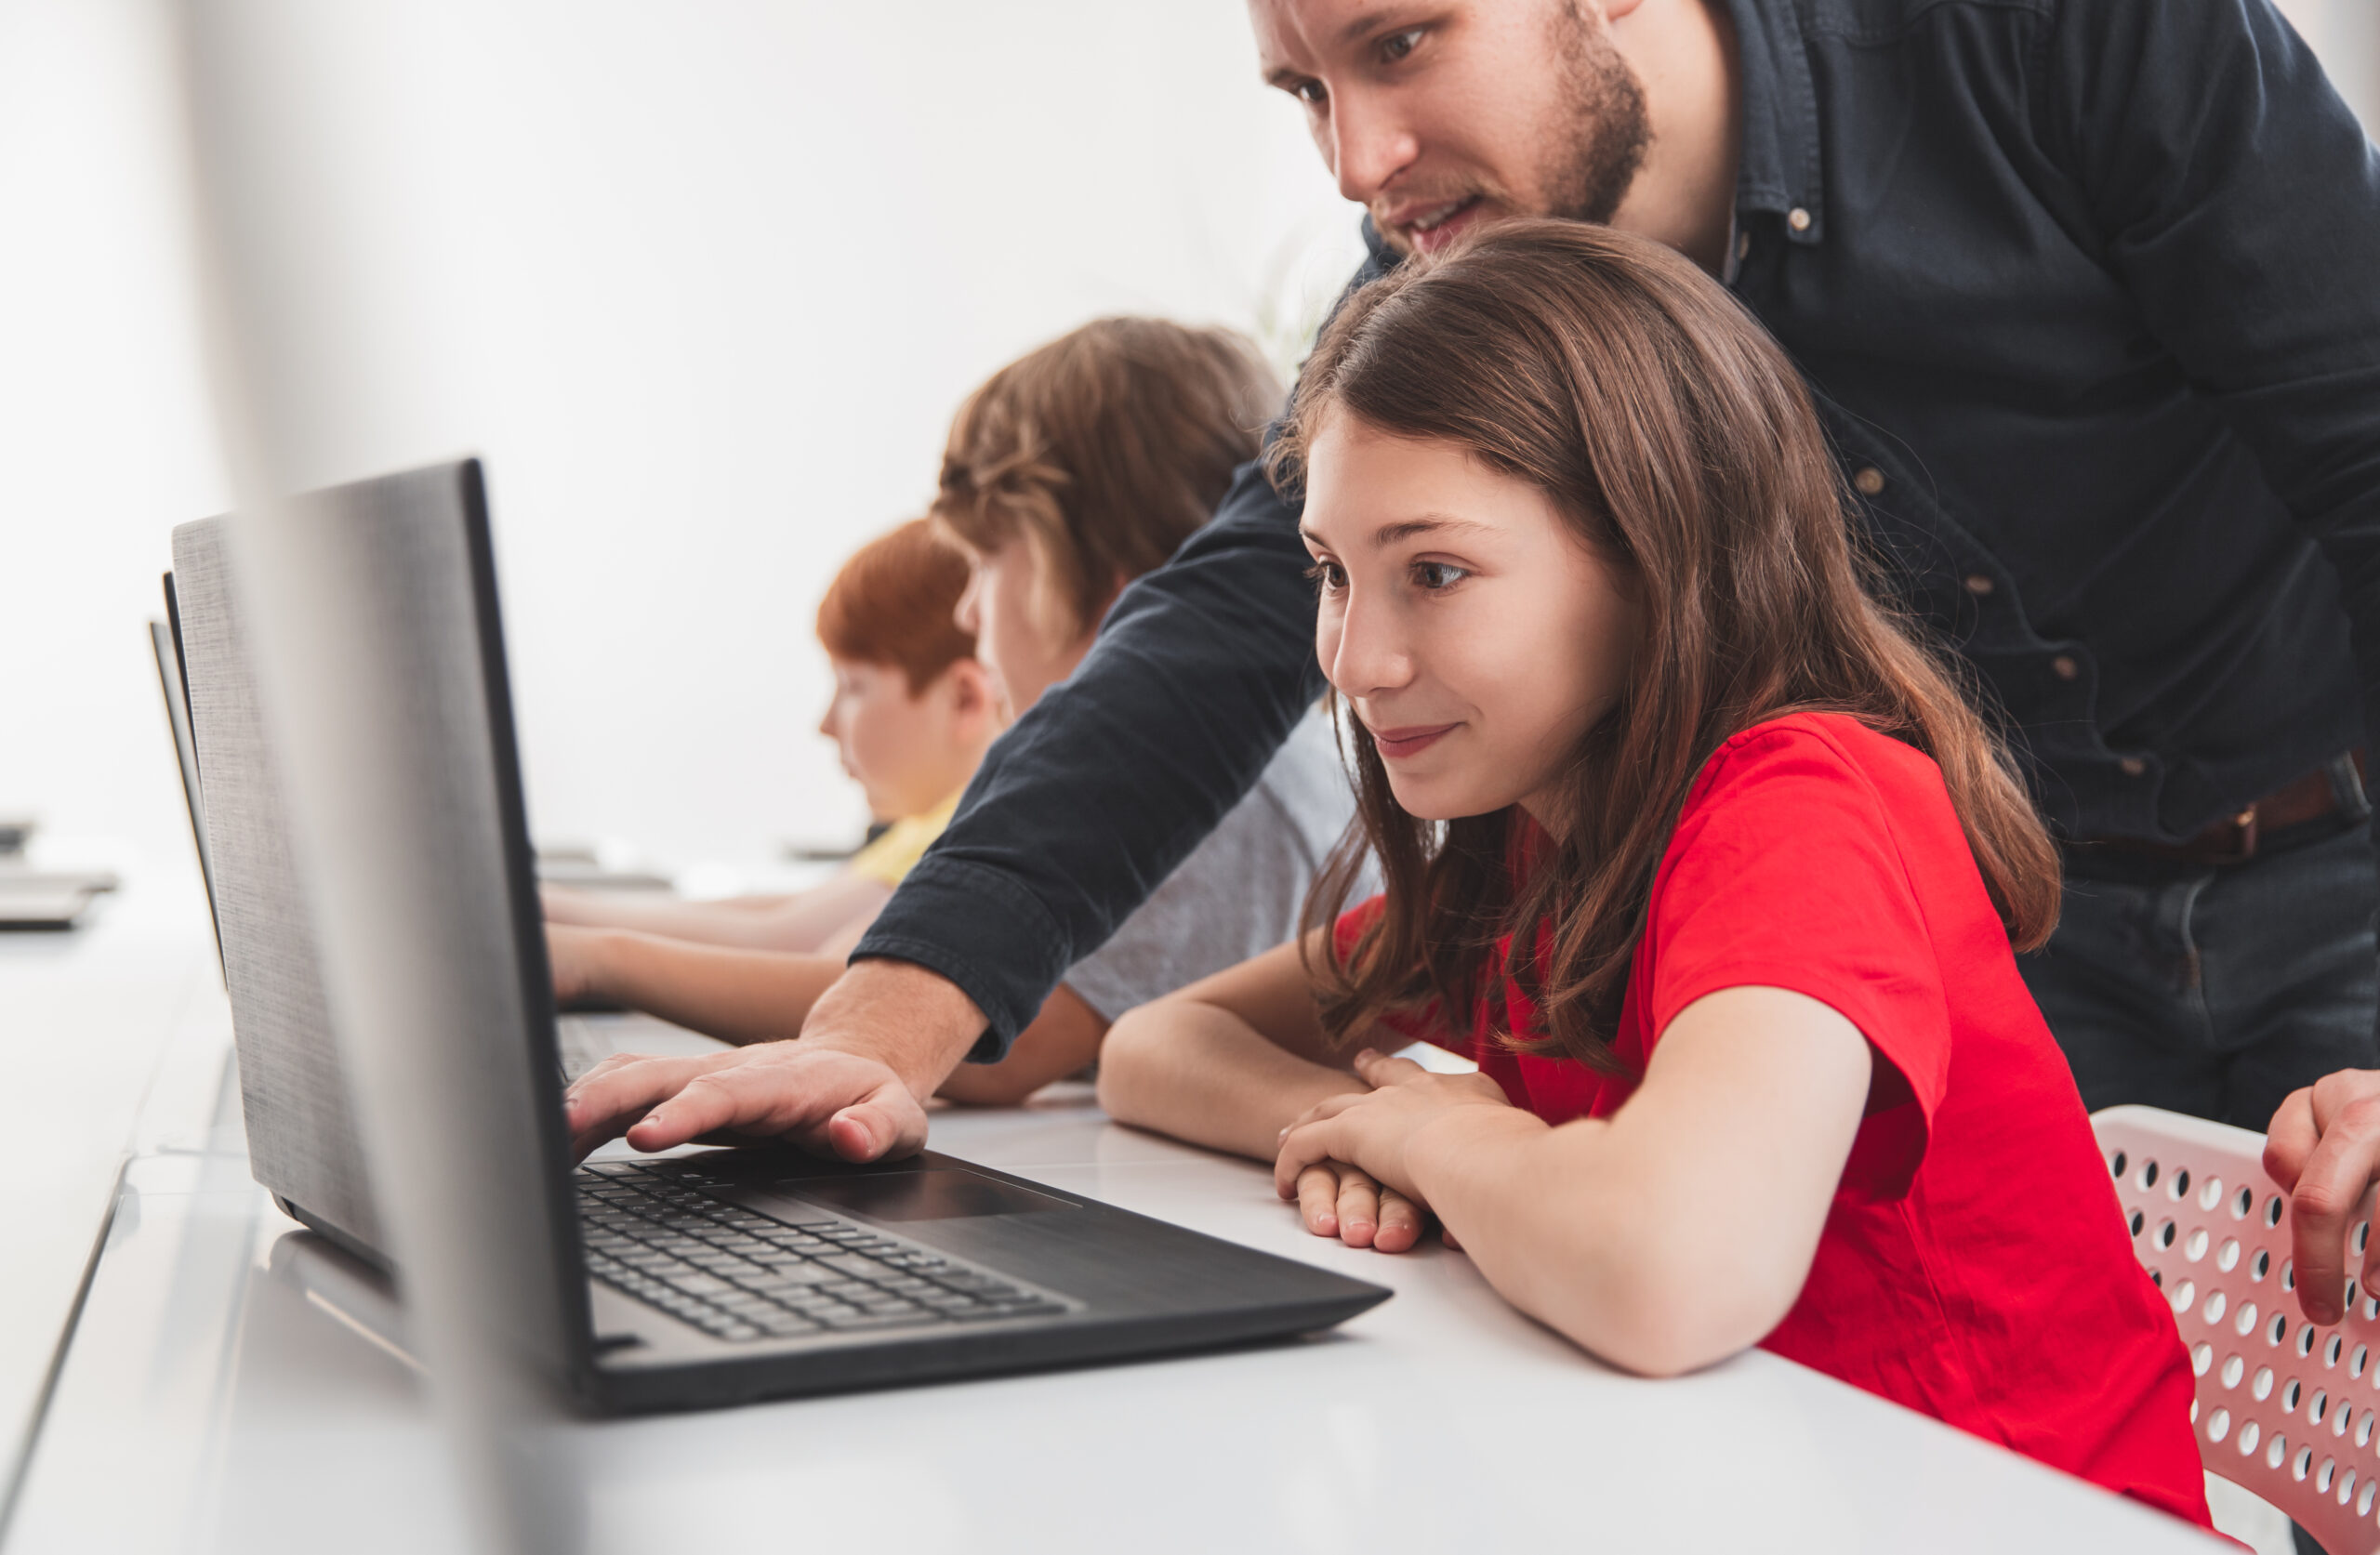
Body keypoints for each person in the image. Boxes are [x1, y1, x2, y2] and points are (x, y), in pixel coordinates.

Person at [563, 0, 2380, 1172]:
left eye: (1400, 44)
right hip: (1982, 945)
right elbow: (1208, 629)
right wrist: (877, 1032)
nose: (1357, 165)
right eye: (1302, 93)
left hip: (2334, 866)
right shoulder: (1461, 263)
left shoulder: (2066, 36)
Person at [1095, 220, 2206, 1524]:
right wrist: (1380, 1138)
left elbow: (1675, 1270)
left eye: (1435, 573)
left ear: (1652, 554)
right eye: (1335, 575)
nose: (1355, 657)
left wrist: (1456, 1142)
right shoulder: (1535, 840)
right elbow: (1159, 1047)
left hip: (1996, 1512)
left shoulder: (1799, 805)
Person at [555, 317, 1356, 1112]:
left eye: (983, 564)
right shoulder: (1125, 769)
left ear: (1107, 580)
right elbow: (853, 952)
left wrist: (601, 961)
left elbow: (996, 1051)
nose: (968, 614)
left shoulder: (1208, 779)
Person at [544, 519, 1000, 958]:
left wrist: (577, 935)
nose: (824, 724)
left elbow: (783, 942)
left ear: (964, 701)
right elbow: (788, 913)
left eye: (854, 686)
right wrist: (562, 912)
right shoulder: (927, 824)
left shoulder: (964, 831)